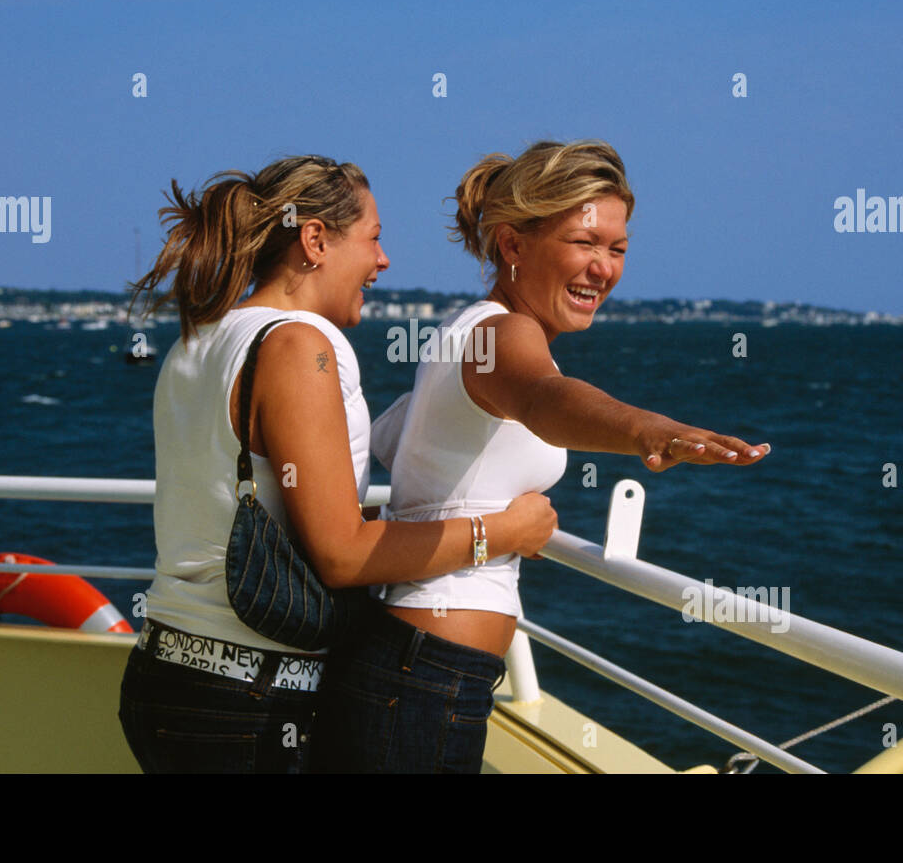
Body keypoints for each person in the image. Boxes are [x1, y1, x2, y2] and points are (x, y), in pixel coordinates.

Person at [311, 140, 770, 774]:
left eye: (617, 249)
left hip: (418, 664)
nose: (603, 269)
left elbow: (409, 442)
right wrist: (650, 431)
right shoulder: (502, 334)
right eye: (584, 244)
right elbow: (545, 398)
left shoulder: (467, 330)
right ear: (513, 245)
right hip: (426, 675)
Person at [117, 155, 557, 774]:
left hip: (166, 671)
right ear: (315, 239)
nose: (382, 262)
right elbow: (341, 555)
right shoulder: (301, 346)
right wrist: (504, 533)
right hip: (247, 701)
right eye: (373, 239)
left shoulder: (200, 340)